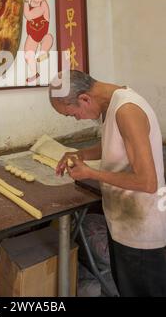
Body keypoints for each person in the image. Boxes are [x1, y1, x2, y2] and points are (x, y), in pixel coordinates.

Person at [50, 70, 166, 297]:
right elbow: (116, 147)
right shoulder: (110, 105)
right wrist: (81, 154)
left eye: (73, 115)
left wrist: (91, 173)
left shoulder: (127, 110)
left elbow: (148, 182)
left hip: (141, 233)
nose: (78, 120)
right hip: (124, 225)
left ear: (84, 98)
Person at [24, 0, 53, 83]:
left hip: (42, 34)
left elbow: (28, 15)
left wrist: (26, 1)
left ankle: (43, 53)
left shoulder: (43, 6)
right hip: (32, 35)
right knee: (28, 53)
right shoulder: (32, 1)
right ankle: (34, 73)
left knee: (48, 39)